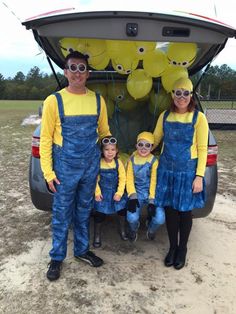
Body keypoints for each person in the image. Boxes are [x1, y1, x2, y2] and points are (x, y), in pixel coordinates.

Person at [40, 51, 111, 281]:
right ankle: (57, 257)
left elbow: (104, 132)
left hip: (90, 167)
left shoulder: (98, 100)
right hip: (64, 168)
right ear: (66, 71)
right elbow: (46, 139)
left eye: (82, 68)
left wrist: (109, 148)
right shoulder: (54, 101)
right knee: (61, 213)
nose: (78, 73)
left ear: (88, 73)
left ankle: (81, 250)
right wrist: (48, 172)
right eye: (73, 68)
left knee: (83, 211)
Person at [153, 77, 209, 270]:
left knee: (185, 212)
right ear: (172, 95)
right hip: (167, 171)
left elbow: (203, 149)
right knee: (170, 211)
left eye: (186, 93)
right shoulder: (165, 116)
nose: (182, 97)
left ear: (191, 95)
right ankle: (172, 247)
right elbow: (155, 139)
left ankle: (182, 249)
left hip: (187, 172)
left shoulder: (198, 118)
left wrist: (199, 176)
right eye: (178, 93)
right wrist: (141, 145)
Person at [126, 131, 165, 242]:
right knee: (131, 218)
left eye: (147, 145)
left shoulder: (154, 161)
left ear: (152, 147)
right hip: (137, 192)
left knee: (160, 219)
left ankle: (151, 229)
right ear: (136, 146)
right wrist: (132, 195)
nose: (143, 148)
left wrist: (152, 199)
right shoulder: (131, 160)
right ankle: (134, 228)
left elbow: (154, 180)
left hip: (151, 193)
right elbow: (129, 179)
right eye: (140, 144)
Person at [93, 136, 127, 248]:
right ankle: (97, 235)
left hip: (116, 192)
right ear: (102, 151)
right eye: (107, 149)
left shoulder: (118, 163)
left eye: (113, 149)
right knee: (99, 214)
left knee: (122, 210)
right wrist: (97, 193)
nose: (110, 152)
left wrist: (119, 193)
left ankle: (122, 230)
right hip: (102, 193)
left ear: (117, 151)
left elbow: (123, 178)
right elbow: (94, 179)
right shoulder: (98, 163)